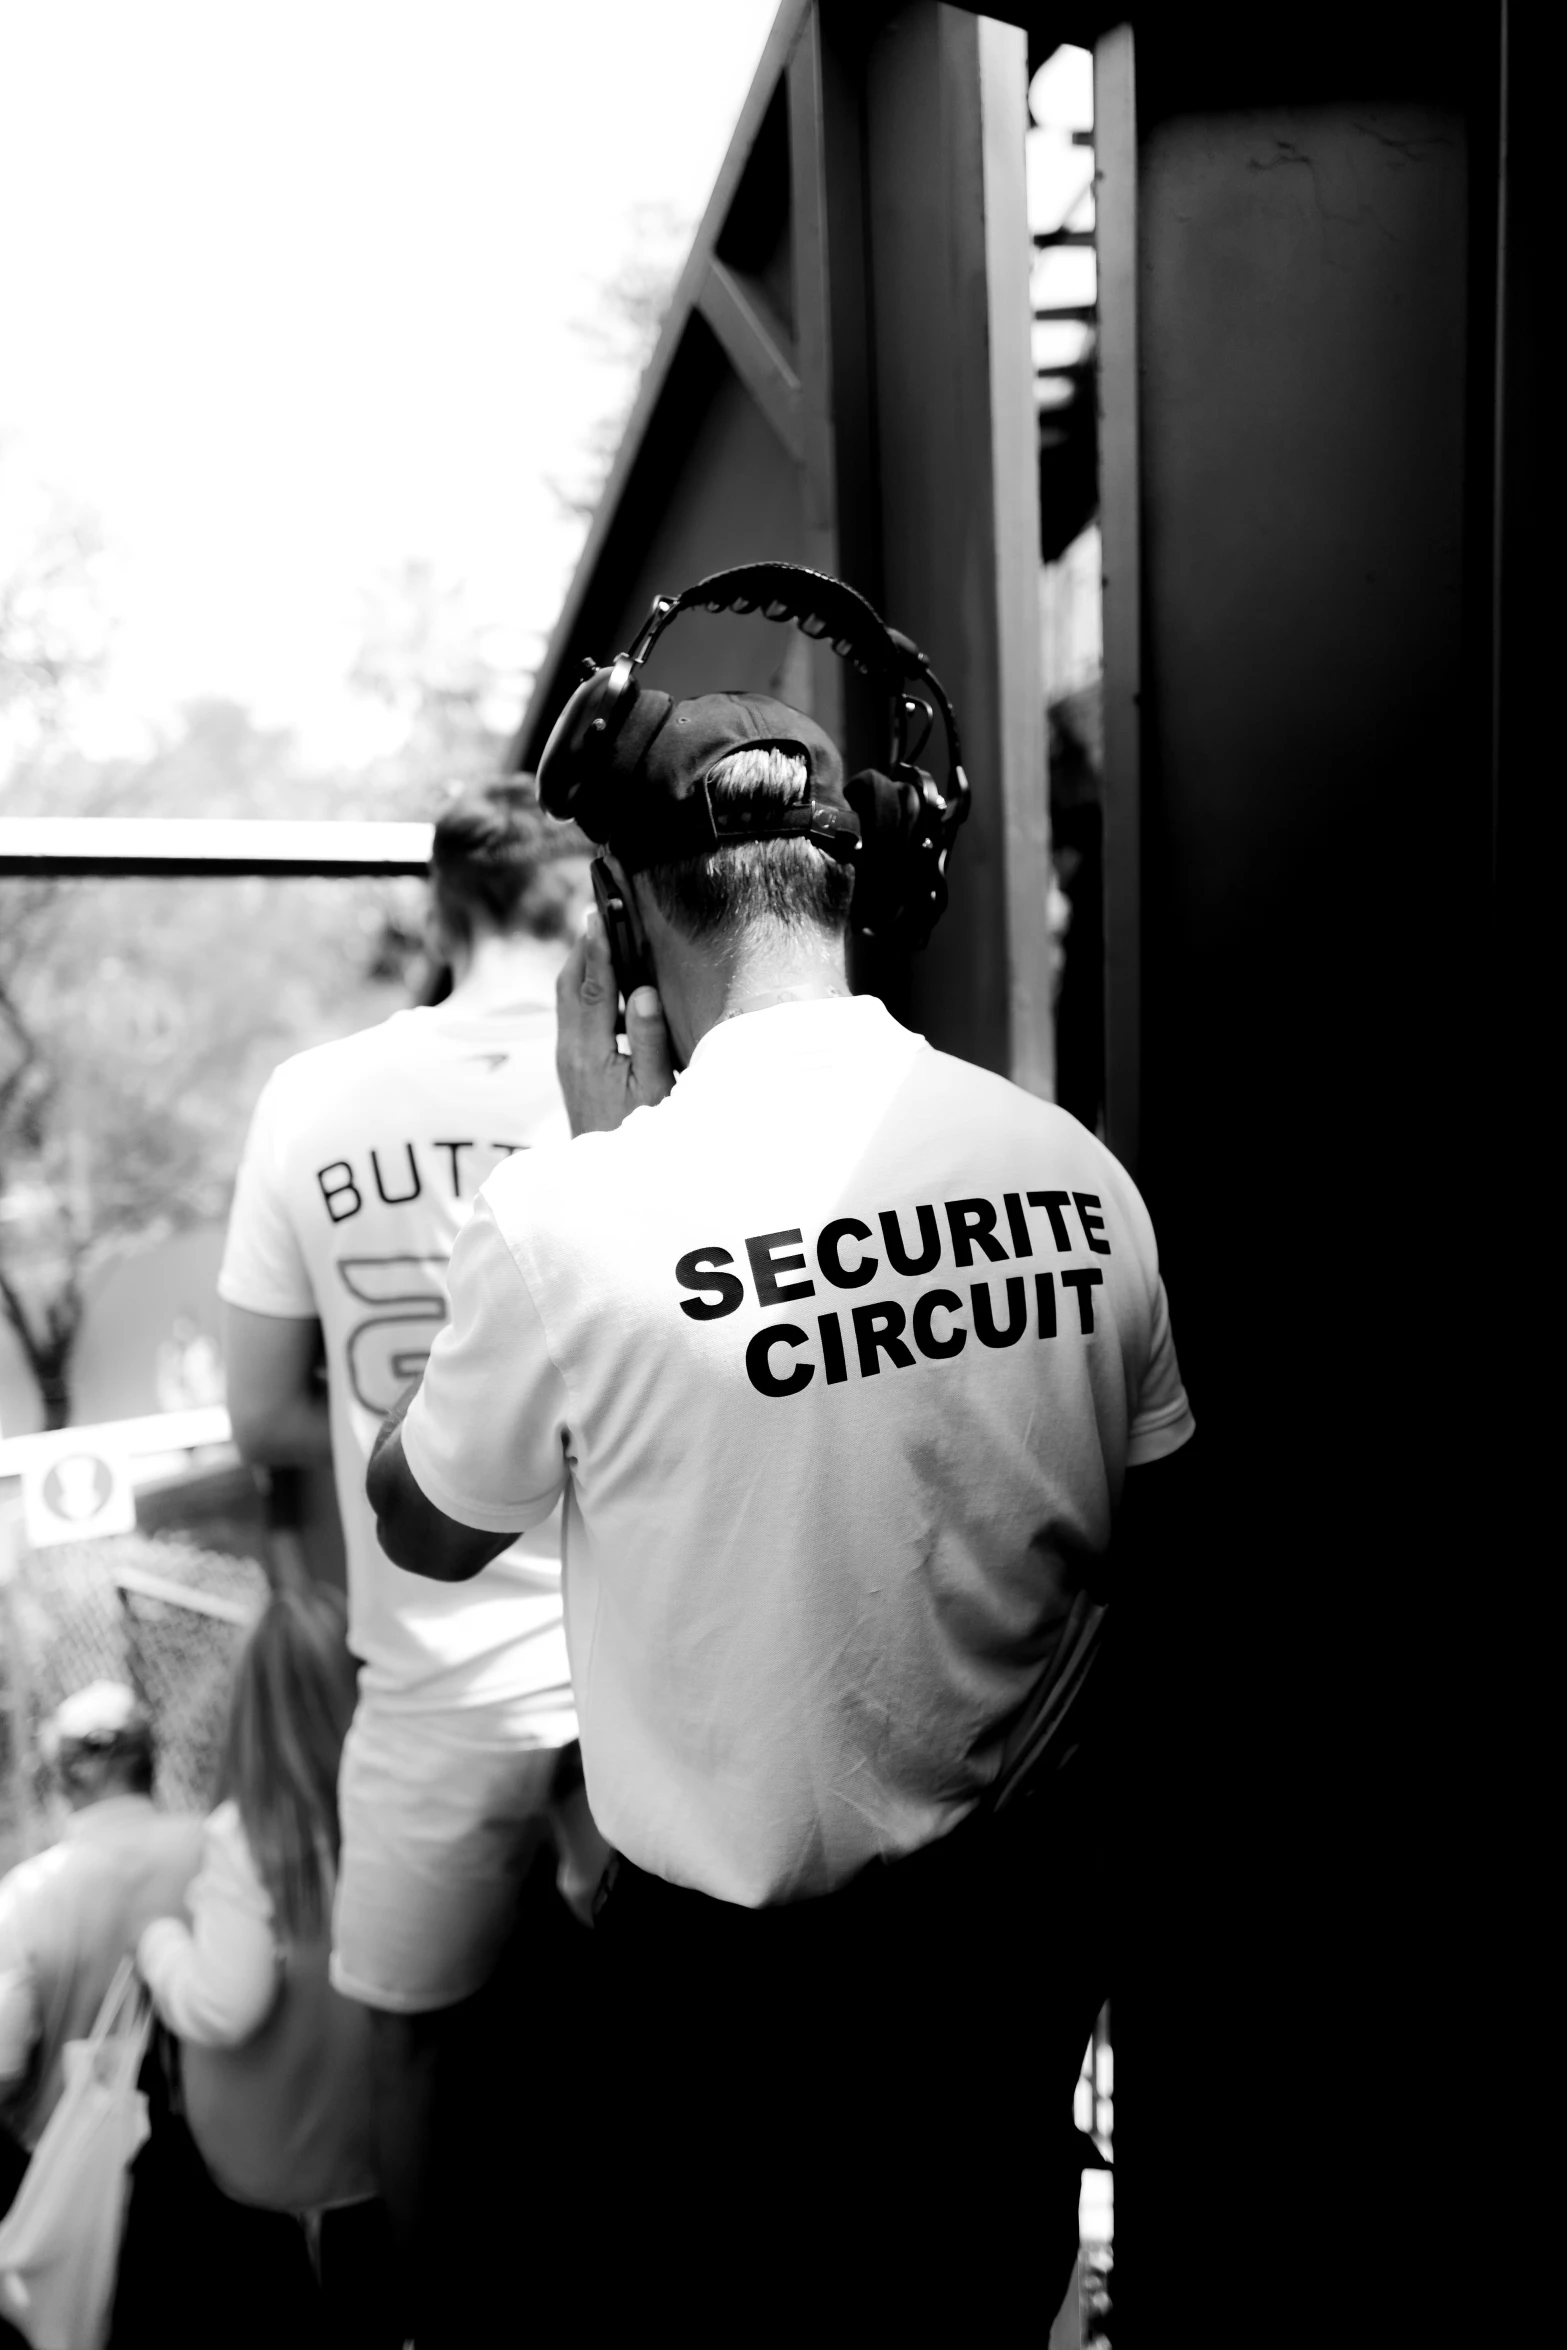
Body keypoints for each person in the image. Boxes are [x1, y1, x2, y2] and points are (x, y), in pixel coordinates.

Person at [366, 695, 1196, 2325]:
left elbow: (425, 1521)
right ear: (850, 890)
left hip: (731, 2021)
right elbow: (1164, 1546)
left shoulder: (571, 1216)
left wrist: (604, 1149)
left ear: (620, 912)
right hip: (1006, 1965)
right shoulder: (1075, 1174)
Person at [218, 781, 607, 2337]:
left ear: (440, 911)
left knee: (413, 2047)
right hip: (622, 1676)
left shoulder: (315, 1098)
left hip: (430, 1673)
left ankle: (432, 2330)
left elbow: (256, 1413)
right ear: (582, 903)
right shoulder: (638, 1085)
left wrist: (400, 1409)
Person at [126, 1583, 403, 2349]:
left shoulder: (245, 1843)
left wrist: (160, 1946)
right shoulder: (393, 1818)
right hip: (380, 2147)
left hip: (273, 2165)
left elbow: (224, 2004)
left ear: (252, 1706)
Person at [0, 1682, 201, 2167]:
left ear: (62, 1777)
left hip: (69, 2177)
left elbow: (4, 2067)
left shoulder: (29, 1894)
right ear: (151, 1763)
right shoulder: (215, 1851)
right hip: (217, 2164)